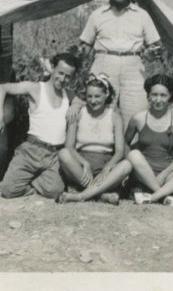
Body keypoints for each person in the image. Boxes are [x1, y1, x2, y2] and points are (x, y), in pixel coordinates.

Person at [76, 0, 163, 128]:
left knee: (135, 116)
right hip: (103, 64)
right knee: (99, 113)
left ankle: (129, 145)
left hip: (133, 67)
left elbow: (155, 48)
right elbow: (85, 48)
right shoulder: (97, 14)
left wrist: (151, 54)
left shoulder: (142, 15)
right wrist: (79, 53)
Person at [0, 52, 80, 199]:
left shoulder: (68, 95)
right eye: (60, 73)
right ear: (52, 68)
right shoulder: (36, 88)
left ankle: (33, 180)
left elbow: (81, 101)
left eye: (68, 76)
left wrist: (75, 104)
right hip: (31, 150)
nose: (63, 79)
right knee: (8, 190)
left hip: (54, 155)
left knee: (56, 191)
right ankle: (30, 182)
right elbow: (0, 89)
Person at [125, 74, 173, 205]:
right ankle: (164, 195)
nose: (158, 100)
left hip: (167, 174)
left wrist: (164, 174)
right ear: (148, 96)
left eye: (163, 95)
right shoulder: (138, 118)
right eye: (154, 95)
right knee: (133, 154)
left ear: (170, 96)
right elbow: (125, 144)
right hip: (143, 172)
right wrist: (131, 167)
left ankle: (153, 196)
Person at [56, 73, 131, 205]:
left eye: (97, 96)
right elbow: (69, 147)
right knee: (63, 154)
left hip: (105, 162)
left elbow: (120, 151)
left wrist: (107, 168)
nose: (93, 100)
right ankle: (101, 193)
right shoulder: (78, 113)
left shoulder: (115, 117)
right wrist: (85, 164)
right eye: (89, 96)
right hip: (81, 165)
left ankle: (80, 195)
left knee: (127, 165)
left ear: (106, 94)